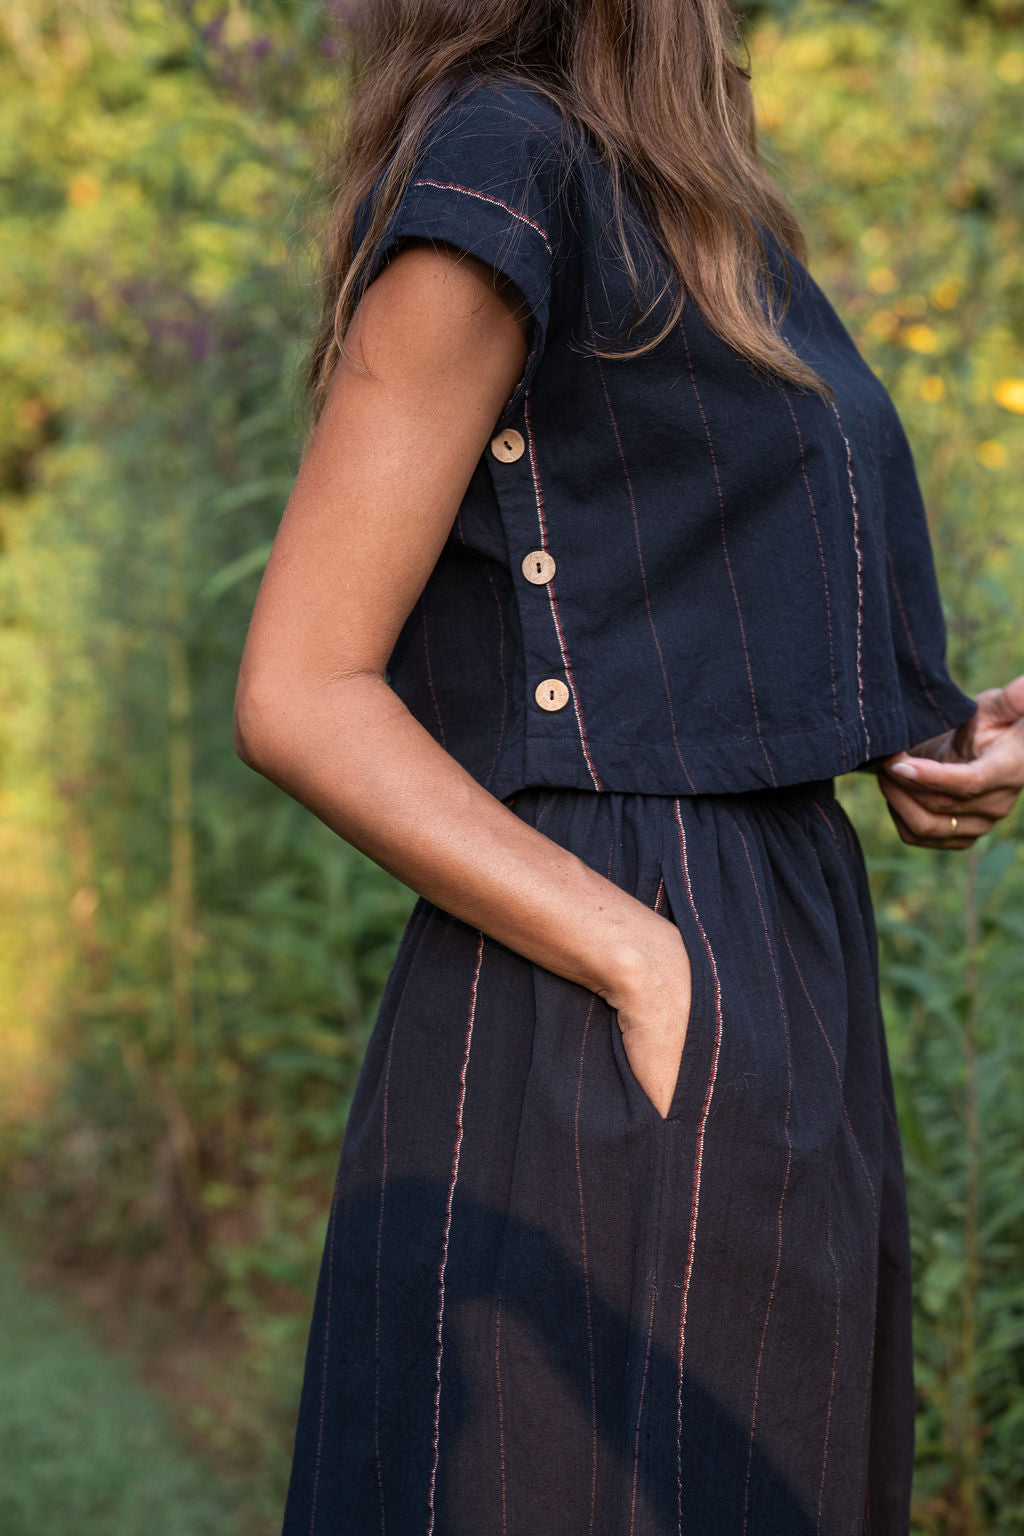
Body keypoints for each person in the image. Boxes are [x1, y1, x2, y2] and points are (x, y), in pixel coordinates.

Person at [233, 2, 1024, 1531]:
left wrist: (924, 738)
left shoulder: (689, 196)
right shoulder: (503, 161)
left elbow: (668, 599)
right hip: (596, 996)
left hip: (775, 949)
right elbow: (301, 687)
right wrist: (645, 964)